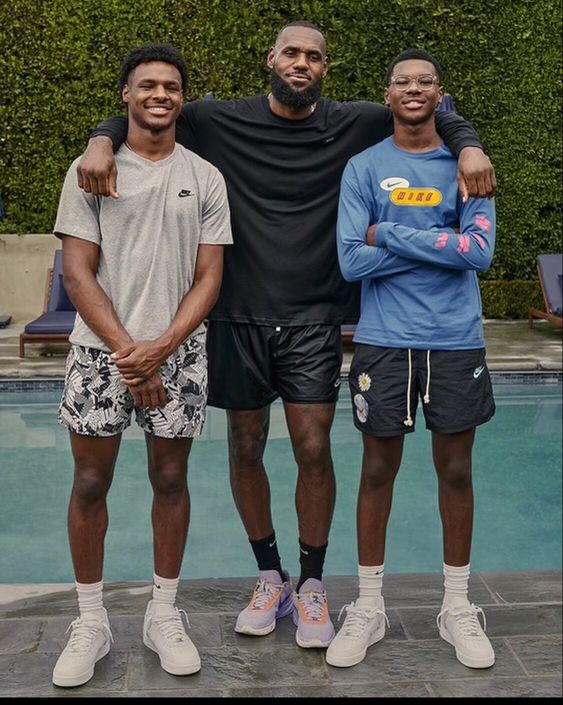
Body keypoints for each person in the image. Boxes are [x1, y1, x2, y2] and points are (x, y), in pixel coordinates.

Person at [76, 22, 496, 650]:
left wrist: (468, 145)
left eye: (314, 56)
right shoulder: (218, 121)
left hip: (314, 317)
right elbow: (146, 109)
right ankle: (269, 573)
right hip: (237, 315)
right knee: (245, 448)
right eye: (292, 53)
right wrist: (99, 141)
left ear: (327, 68)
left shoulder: (356, 125)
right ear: (271, 59)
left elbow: (430, 106)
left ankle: (313, 582)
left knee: (313, 447)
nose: (302, 63)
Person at [51, 43, 232, 687]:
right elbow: (76, 270)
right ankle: (91, 621)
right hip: (100, 355)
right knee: (90, 484)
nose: (161, 94)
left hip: (178, 356)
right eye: (148, 85)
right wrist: (133, 354)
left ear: (182, 97)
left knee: (172, 479)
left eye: (172, 86)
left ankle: (163, 614)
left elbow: (209, 277)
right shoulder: (92, 169)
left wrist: (161, 349)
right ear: (125, 95)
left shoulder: (206, 176)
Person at [327, 48, 496, 669]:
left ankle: (456, 606)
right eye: (403, 81)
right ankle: (367, 606)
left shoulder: (469, 168)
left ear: (439, 93)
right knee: (377, 472)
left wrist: (389, 234)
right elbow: (350, 259)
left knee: (455, 470)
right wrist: (438, 245)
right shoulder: (363, 167)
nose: (414, 89)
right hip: (385, 338)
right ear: (389, 93)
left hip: (454, 339)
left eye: (426, 81)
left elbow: (479, 252)